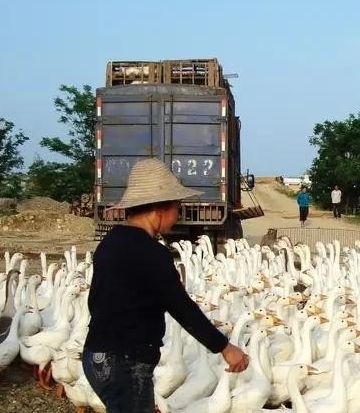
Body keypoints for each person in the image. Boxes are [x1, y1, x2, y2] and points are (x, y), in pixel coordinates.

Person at [83, 158, 249, 413]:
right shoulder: (152, 252)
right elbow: (182, 308)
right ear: (161, 209)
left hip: (96, 357)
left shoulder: (110, 243)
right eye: (177, 209)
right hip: (127, 361)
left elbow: (97, 301)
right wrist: (225, 347)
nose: (177, 216)